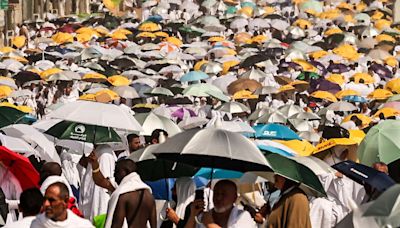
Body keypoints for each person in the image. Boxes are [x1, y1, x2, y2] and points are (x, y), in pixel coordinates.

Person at [105, 159, 156, 228]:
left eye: (117, 171)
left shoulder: (123, 196)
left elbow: (116, 225)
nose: (114, 175)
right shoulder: (149, 195)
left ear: (126, 171)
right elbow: (154, 226)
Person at [185, 180, 256, 228]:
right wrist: (192, 215)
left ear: (234, 198)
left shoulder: (243, 216)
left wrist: (210, 224)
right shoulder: (205, 216)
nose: (218, 198)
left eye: (223, 194)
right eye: (216, 193)